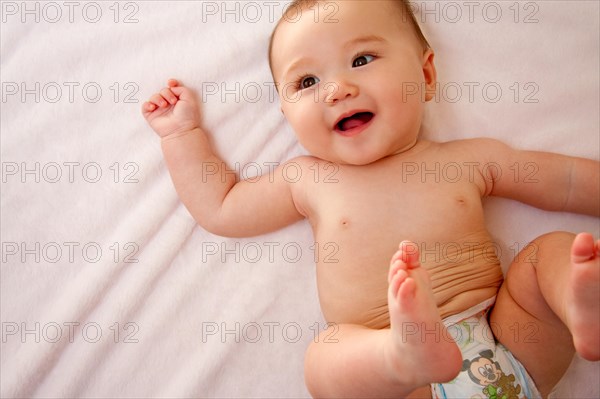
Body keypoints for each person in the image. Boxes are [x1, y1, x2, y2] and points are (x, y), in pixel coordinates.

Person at [141, 1, 599, 397]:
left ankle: (576, 301)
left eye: (361, 59)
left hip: (511, 343)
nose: (338, 89)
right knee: (326, 357)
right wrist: (182, 134)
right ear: (285, 114)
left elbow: (569, 182)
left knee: (549, 254)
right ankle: (402, 355)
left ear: (424, 75)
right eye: (306, 83)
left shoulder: (468, 159)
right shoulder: (307, 180)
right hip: (405, 385)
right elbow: (221, 207)